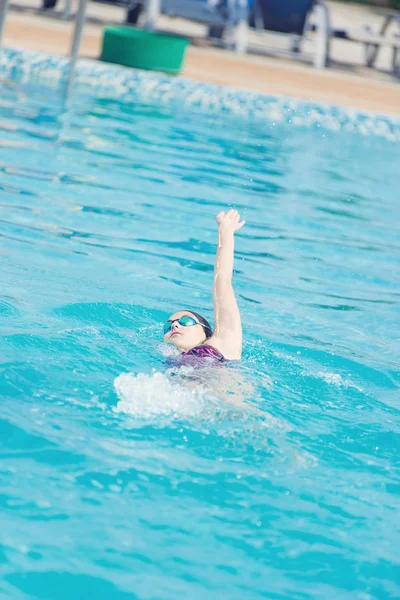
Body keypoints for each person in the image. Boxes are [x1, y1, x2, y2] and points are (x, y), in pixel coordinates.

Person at [163, 209, 245, 362]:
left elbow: (222, 280)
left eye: (186, 321)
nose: (174, 326)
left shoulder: (222, 342)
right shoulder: (171, 359)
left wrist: (225, 232)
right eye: (167, 327)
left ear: (206, 332)